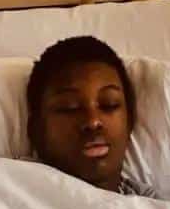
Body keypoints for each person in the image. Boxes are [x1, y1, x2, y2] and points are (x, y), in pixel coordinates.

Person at [26, 36, 155, 197]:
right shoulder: (5, 195)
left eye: (109, 104)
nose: (93, 121)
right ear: (36, 130)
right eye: (70, 107)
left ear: (130, 122)